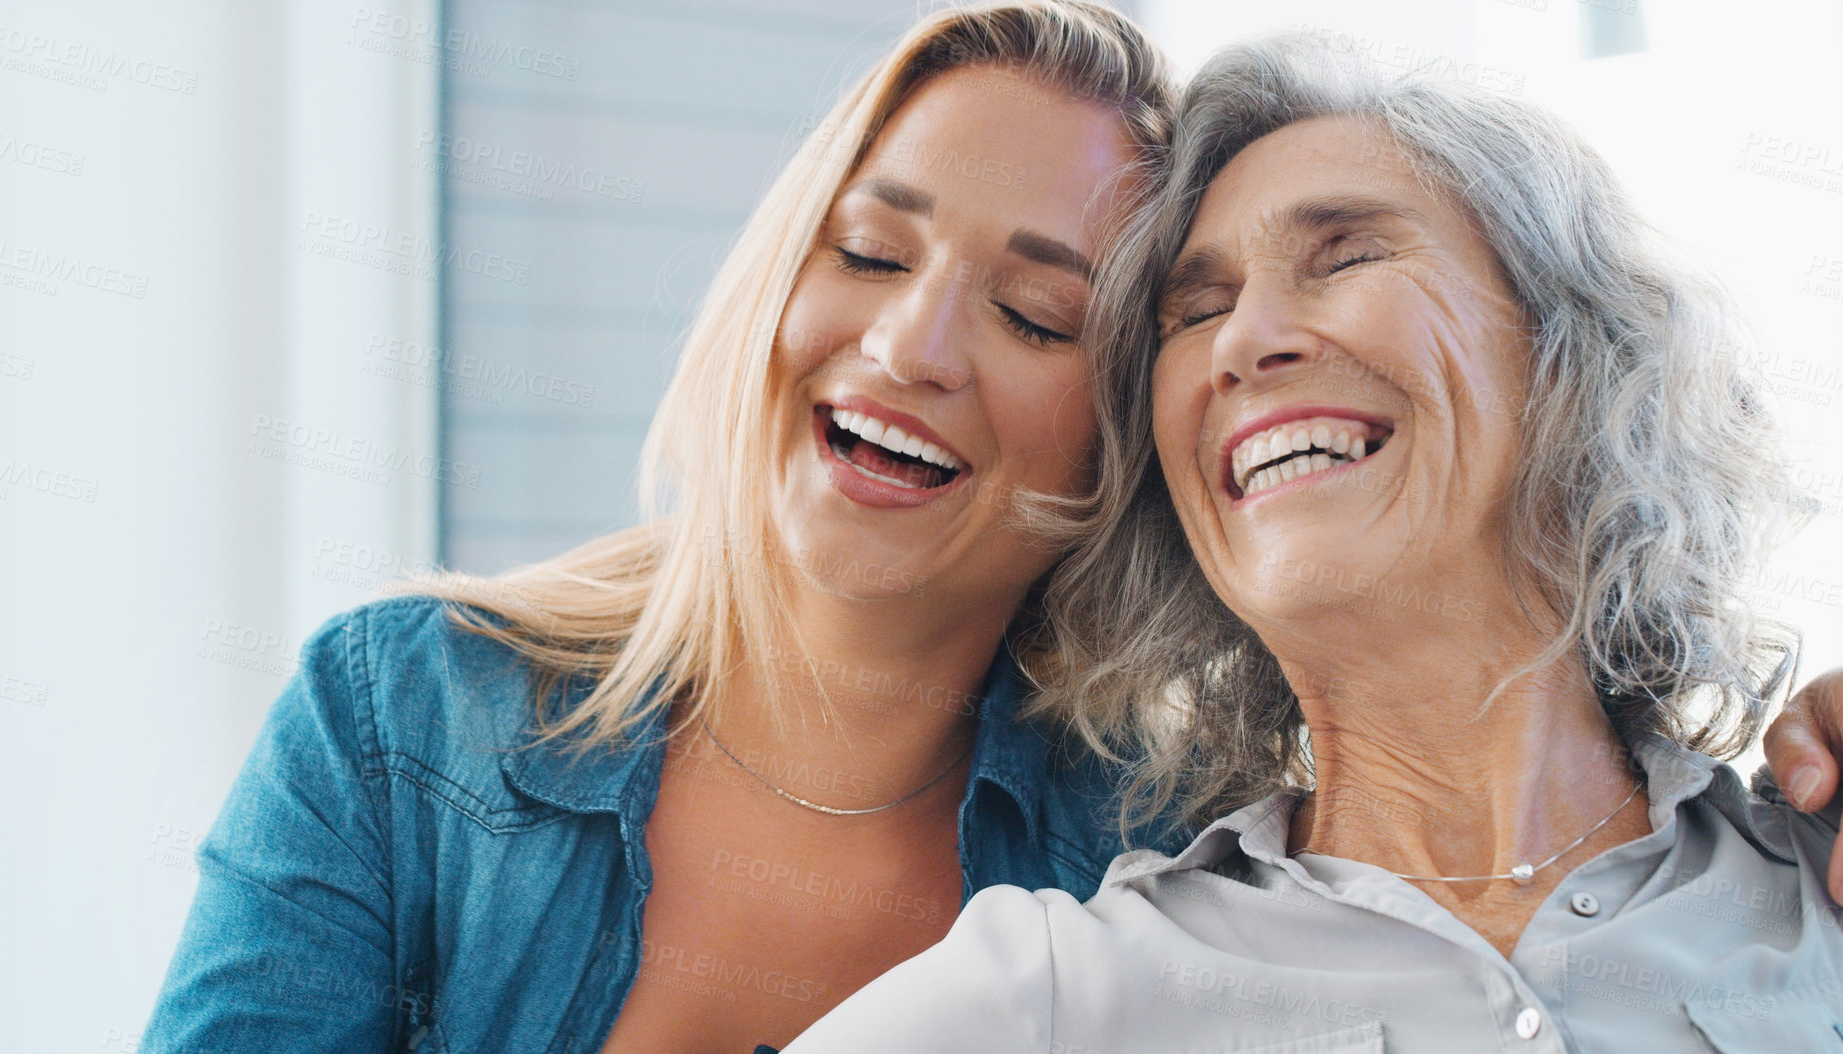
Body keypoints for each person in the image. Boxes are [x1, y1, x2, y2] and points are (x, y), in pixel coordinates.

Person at [135, 5, 1184, 1053]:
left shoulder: (1160, 877)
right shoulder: (395, 722)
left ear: (1124, 437)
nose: (909, 345)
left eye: (1035, 315)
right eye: (868, 253)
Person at [784, 35, 1843, 1052]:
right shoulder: (1056, 994)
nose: (1243, 342)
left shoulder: (1818, 884)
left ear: (1566, 355)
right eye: (1194, 312)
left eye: (1346, 255)